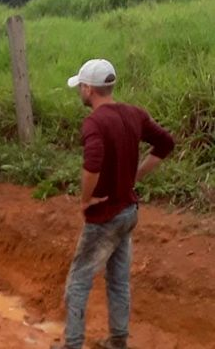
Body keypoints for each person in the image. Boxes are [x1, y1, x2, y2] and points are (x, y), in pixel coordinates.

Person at [51, 60, 175, 349]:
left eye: (80, 87)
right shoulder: (134, 114)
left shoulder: (94, 122)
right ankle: (118, 340)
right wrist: (135, 176)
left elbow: (92, 163)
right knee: (118, 279)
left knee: (79, 280)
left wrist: (85, 200)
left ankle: (72, 344)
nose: (79, 92)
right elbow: (166, 143)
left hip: (105, 215)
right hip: (128, 212)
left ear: (88, 88)